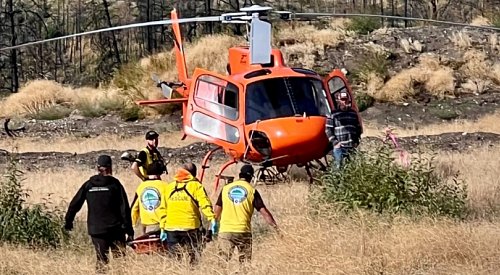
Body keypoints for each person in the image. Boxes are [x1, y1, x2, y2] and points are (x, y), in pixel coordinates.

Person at [64, 155, 134, 273]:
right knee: (120, 262)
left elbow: (75, 204)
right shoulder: (115, 185)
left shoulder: (88, 185)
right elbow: (124, 209)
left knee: (101, 260)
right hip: (116, 230)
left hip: (97, 230)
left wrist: (68, 221)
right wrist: (129, 231)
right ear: (110, 168)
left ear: (97, 168)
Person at [213, 164, 278, 264]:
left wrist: (212, 228)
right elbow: (264, 213)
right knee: (245, 265)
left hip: (225, 231)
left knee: (222, 263)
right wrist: (276, 228)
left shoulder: (226, 189)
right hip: (244, 231)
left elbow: (216, 211)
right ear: (251, 177)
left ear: (240, 175)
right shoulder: (252, 191)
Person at [159, 162, 217, 265]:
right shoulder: (196, 186)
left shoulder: (170, 187)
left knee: (175, 261)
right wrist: (212, 219)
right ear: (193, 174)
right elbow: (205, 204)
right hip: (191, 228)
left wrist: (162, 227)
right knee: (194, 257)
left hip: (171, 228)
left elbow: (163, 209)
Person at [325, 91, 362, 169]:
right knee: (338, 168)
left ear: (348, 100)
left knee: (351, 169)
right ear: (339, 101)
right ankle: (336, 181)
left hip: (351, 146)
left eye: (346, 99)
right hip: (340, 147)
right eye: (342, 99)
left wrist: (356, 141)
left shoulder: (353, 113)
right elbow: (328, 129)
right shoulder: (333, 114)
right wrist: (335, 143)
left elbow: (358, 128)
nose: (344, 101)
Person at [130, 161, 168, 236]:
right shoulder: (165, 186)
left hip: (146, 226)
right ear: (159, 174)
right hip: (162, 225)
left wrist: (133, 225)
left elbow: (134, 208)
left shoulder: (141, 187)